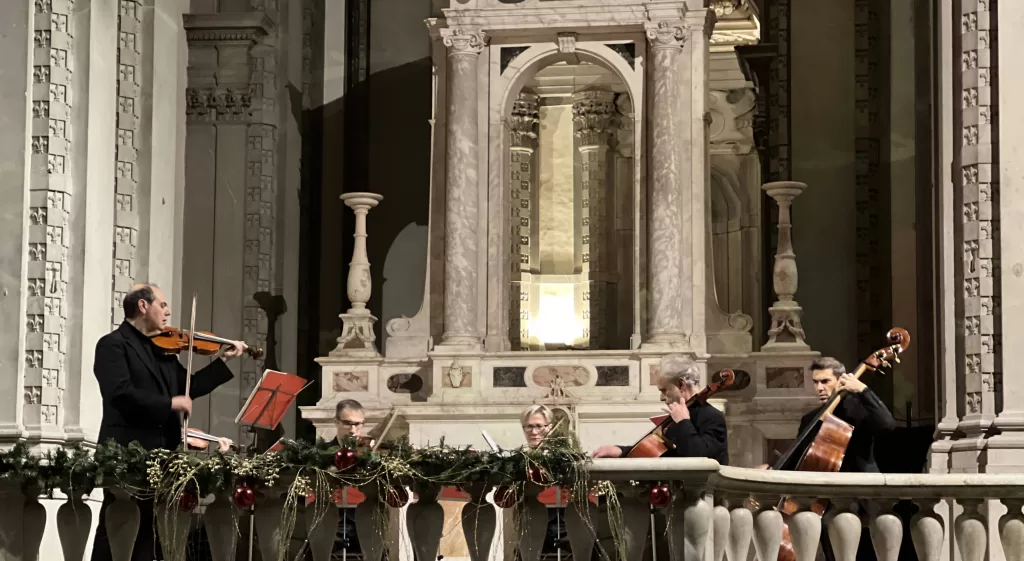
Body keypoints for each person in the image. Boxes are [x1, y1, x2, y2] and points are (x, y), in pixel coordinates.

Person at [91, 284, 247, 561]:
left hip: (164, 456)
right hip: (127, 454)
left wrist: (223, 361)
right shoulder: (113, 344)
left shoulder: (162, 350)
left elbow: (189, 387)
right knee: (118, 535)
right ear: (142, 306)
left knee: (154, 538)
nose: (168, 312)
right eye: (162, 305)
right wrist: (169, 404)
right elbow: (119, 392)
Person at [791, 357, 896, 561]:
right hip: (828, 494)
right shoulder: (811, 419)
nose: (819, 388)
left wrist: (863, 390)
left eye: (825, 381)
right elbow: (798, 458)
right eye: (816, 382)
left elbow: (888, 425)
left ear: (841, 381)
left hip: (863, 487)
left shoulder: (859, 409)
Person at [591, 354, 728, 464]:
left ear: (681, 385)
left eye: (664, 390)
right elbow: (655, 451)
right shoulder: (676, 419)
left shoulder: (712, 417)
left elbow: (700, 457)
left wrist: (683, 423)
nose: (662, 398)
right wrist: (621, 451)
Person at [333, 399, 366, 558]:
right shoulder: (322, 452)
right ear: (336, 422)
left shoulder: (369, 454)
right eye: (347, 423)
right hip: (334, 517)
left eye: (358, 424)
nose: (353, 430)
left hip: (364, 515)